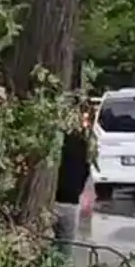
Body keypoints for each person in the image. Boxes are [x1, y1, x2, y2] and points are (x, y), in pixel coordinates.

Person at [54, 99, 94, 243]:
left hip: (59, 200)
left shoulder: (58, 139)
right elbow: (84, 172)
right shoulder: (82, 142)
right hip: (68, 201)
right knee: (65, 246)